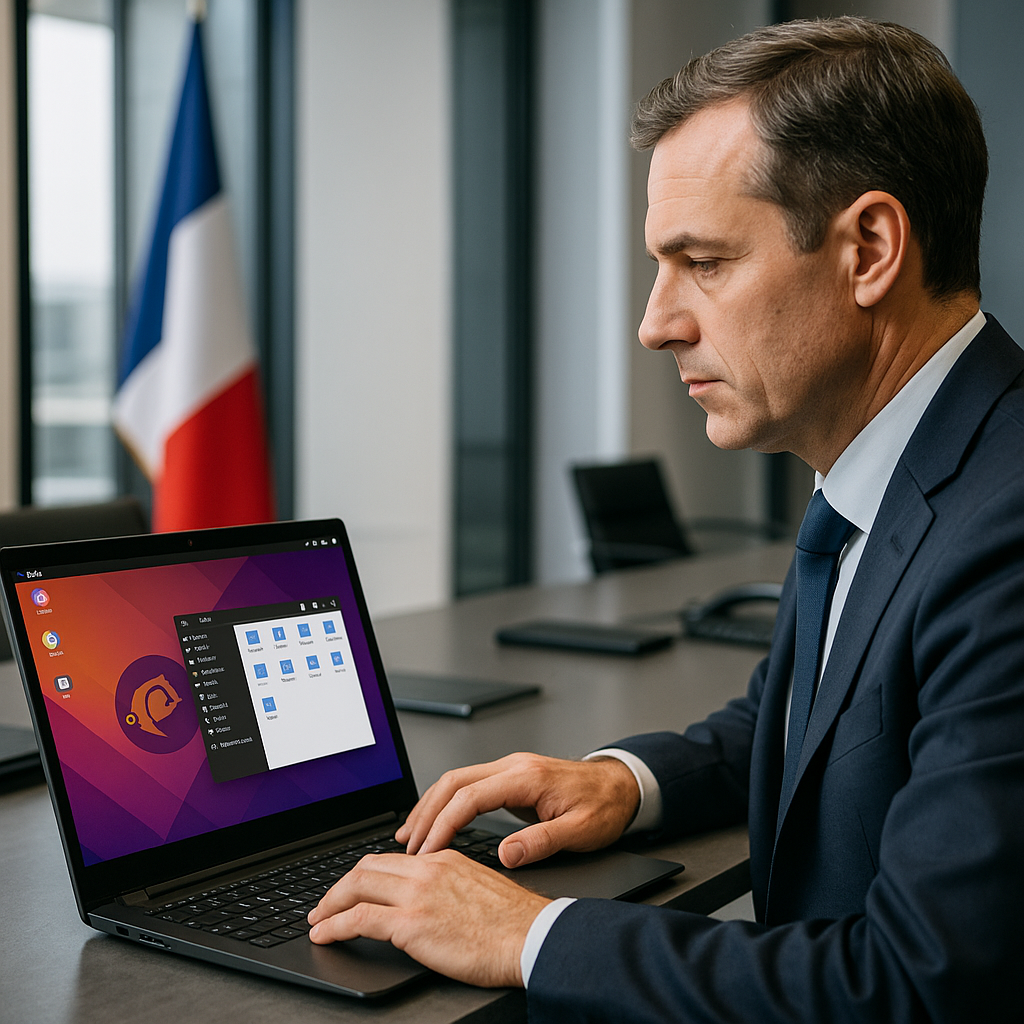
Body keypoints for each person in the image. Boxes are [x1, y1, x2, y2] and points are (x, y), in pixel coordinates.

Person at [308, 17, 1024, 1021]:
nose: (655, 324)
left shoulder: (1003, 530)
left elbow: (915, 985)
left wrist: (527, 934)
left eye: (704, 261)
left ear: (868, 249)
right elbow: (812, 719)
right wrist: (624, 781)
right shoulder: (905, 463)